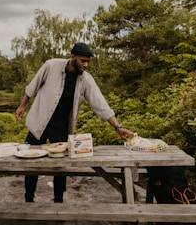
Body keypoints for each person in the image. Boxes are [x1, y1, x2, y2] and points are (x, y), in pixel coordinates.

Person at [15, 42, 135, 203]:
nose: (85, 65)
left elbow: (100, 105)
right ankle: (28, 199)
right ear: (72, 57)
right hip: (39, 122)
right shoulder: (51, 66)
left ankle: (58, 200)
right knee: (32, 163)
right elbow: (32, 88)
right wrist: (22, 106)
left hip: (61, 127)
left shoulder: (86, 80)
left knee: (60, 166)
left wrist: (118, 127)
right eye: (82, 61)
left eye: (87, 62)